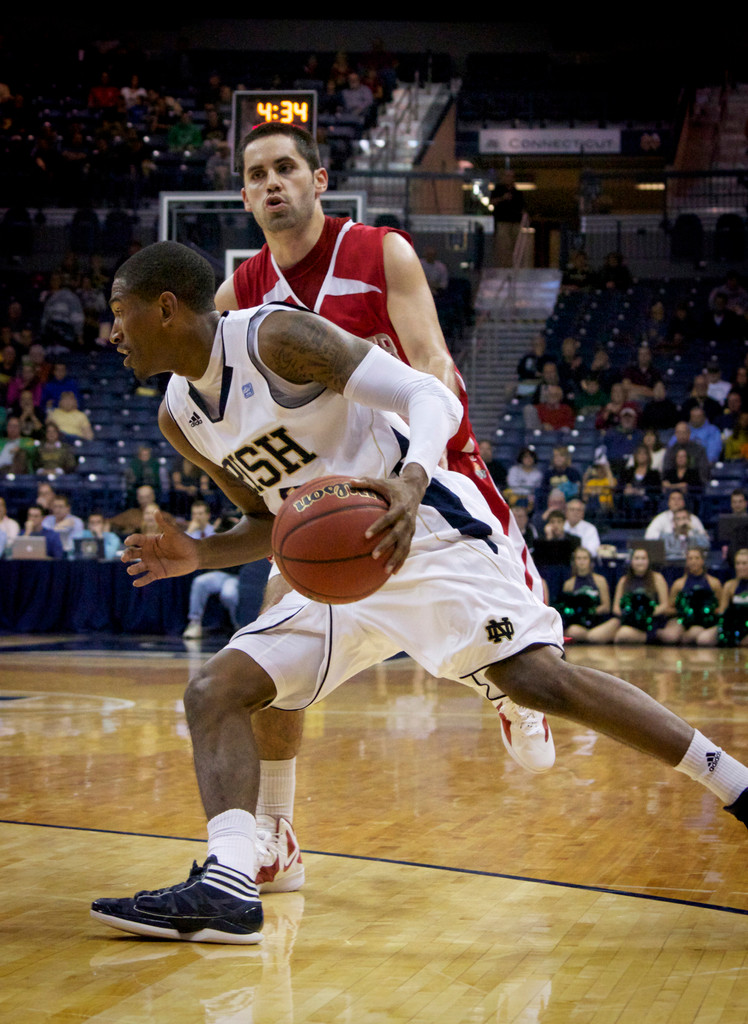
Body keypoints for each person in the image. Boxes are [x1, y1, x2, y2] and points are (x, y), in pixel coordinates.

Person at [91, 242, 748, 944]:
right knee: (217, 690)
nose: (113, 332)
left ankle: (735, 784)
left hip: (416, 527)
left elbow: (428, 394)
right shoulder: (179, 417)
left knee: (535, 680)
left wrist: (408, 477)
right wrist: (202, 553)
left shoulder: (273, 335)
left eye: (119, 313)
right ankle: (229, 882)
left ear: (165, 307)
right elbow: (266, 522)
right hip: (335, 572)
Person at [210, 122, 556, 868]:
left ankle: (508, 688)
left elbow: (429, 356)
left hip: (428, 470)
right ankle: (276, 830)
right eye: (258, 174)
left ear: (319, 179)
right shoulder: (238, 292)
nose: (273, 182)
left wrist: (429, 450)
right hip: (326, 494)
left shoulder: (378, 251)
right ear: (244, 196)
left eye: (286, 168)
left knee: (522, 638)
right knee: (272, 643)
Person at [585, 547, 670, 645]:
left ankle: (646, 637)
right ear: (631, 562)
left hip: (649, 622)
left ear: (648, 561)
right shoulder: (624, 580)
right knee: (593, 637)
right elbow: (616, 608)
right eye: (637, 558)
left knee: (623, 634)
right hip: (627, 619)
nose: (640, 562)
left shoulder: (657, 578)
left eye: (643, 559)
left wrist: (645, 614)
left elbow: (664, 605)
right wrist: (630, 614)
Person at [657, 547, 722, 646]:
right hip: (683, 621)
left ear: (702, 561)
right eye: (690, 558)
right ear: (686, 562)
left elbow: (721, 607)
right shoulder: (679, 584)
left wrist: (707, 610)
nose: (693, 561)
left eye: (696, 558)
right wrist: (683, 610)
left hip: (706, 622)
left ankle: (688, 637)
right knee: (670, 637)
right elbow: (668, 609)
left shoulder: (714, 583)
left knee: (697, 633)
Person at [556, 546, 611, 641]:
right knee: (572, 631)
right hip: (578, 625)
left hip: (598, 623)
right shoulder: (569, 584)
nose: (582, 562)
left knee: (615, 622)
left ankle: (593, 636)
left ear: (590, 561)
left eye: (585, 558)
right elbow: (565, 609)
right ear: (574, 561)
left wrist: (589, 611)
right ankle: (592, 637)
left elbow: (606, 607)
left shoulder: (600, 580)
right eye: (579, 558)